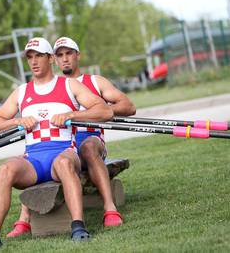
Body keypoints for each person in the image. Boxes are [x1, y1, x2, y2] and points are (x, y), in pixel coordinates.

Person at [0, 37, 113, 251]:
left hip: (64, 154)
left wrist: (72, 114)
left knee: (65, 164)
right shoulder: (21, 92)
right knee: (5, 169)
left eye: (38, 56)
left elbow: (105, 111)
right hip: (34, 161)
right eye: (29, 57)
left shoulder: (69, 85)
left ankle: (78, 227)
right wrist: (17, 121)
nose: (34, 61)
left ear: (50, 59)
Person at [7, 37, 136, 237]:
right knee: (28, 156)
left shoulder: (94, 82)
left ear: (78, 55)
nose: (64, 59)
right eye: (60, 55)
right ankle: (24, 219)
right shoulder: (55, 86)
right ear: (53, 59)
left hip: (90, 140)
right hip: (62, 145)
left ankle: (110, 209)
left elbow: (128, 107)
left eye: (69, 53)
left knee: (87, 147)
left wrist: (89, 112)